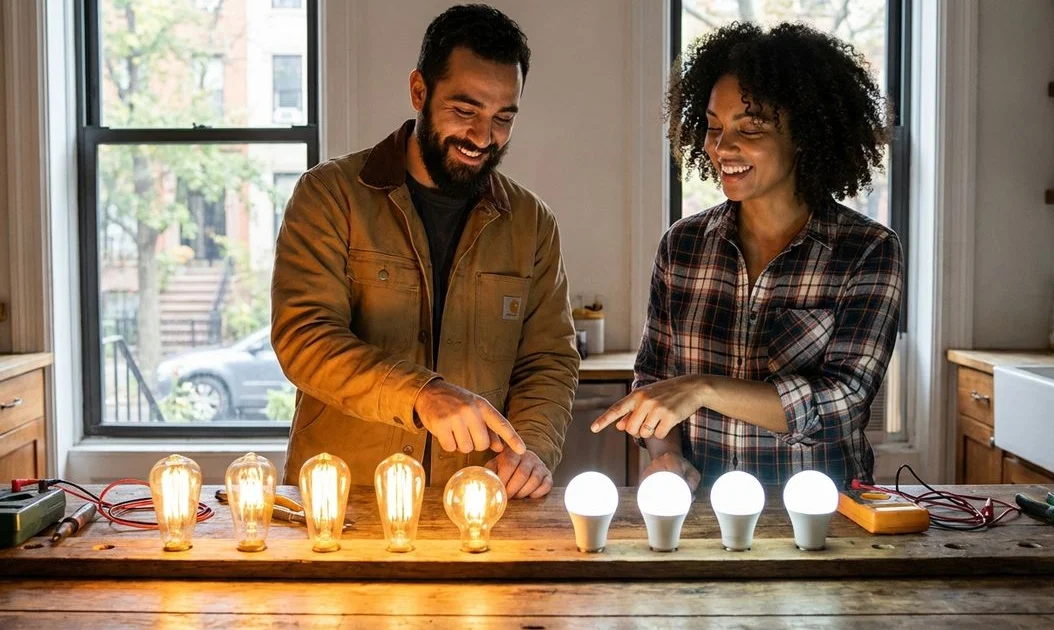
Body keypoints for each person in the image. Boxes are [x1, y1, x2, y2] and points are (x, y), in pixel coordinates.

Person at [272, 4, 578, 499]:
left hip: (478, 501)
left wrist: (534, 446)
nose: (484, 137)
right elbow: (304, 340)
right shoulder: (330, 195)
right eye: (465, 111)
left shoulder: (532, 223)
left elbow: (548, 359)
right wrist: (422, 394)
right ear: (419, 91)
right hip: (346, 501)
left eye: (503, 118)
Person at [592, 22, 903, 491]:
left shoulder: (867, 251)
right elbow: (654, 379)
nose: (722, 148)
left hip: (820, 520)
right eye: (714, 127)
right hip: (702, 511)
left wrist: (701, 389)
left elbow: (844, 404)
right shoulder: (683, 245)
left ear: (805, 134)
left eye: (750, 128)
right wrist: (668, 456)